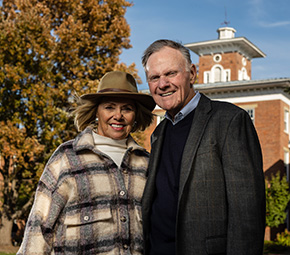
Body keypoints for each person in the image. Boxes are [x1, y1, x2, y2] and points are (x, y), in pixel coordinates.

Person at [141, 39, 265, 255]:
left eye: (171, 73)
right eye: (154, 77)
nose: (162, 84)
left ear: (192, 73)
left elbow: (247, 214)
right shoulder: (158, 133)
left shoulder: (229, 120)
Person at [17, 71, 156, 255]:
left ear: (136, 114)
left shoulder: (146, 164)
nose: (118, 115)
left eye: (127, 109)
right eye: (109, 107)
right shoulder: (67, 158)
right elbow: (39, 225)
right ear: (96, 112)